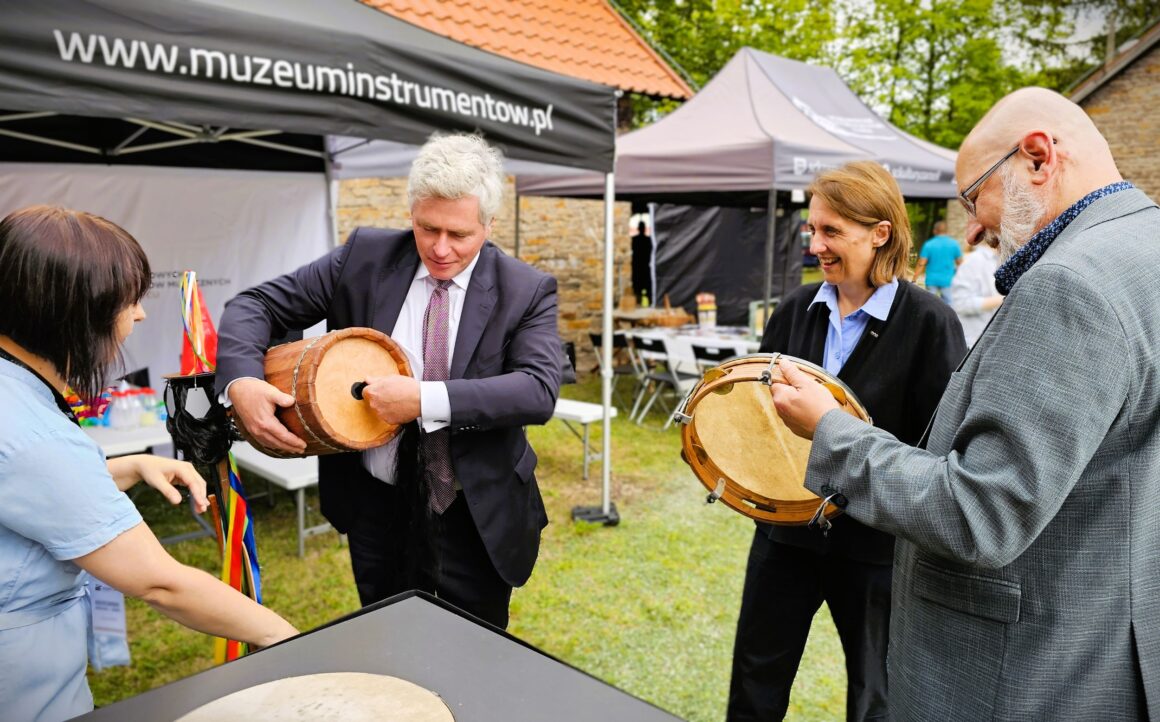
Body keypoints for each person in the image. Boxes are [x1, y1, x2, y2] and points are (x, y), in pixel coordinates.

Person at [767, 87, 1160, 720]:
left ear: (1037, 158)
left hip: (1030, 674)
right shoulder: (1146, 247)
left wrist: (831, 430)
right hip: (1105, 642)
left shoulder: (1068, 284)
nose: (972, 229)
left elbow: (983, 512)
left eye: (974, 197)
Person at [217, 133, 561, 630]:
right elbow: (256, 305)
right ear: (411, 212)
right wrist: (241, 382)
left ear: (489, 223)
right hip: (376, 507)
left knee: (475, 651)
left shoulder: (525, 290)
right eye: (427, 228)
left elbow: (537, 390)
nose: (440, 248)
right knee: (385, 641)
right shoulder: (364, 257)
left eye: (459, 234)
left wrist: (422, 399)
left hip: (475, 514)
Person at [0, 206, 298, 722]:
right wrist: (285, 636)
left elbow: (24, 487)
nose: (138, 315)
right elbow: (160, 582)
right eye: (128, 301)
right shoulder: (34, 435)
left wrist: (129, 465)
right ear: (76, 311)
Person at [727, 162, 965, 721]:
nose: (816, 247)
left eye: (831, 231)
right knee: (754, 682)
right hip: (785, 535)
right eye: (813, 230)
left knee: (875, 696)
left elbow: (938, 451)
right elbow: (760, 419)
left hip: (875, 548)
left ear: (880, 232)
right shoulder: (793, 311)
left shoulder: (931, 322)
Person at [950, 243, 1002, 346]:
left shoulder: (1003, 259)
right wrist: (1003, 299)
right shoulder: (975, 260)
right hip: (974, 342)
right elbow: (961, 304)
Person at [914, 220, 962, 301]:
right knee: (949, 306)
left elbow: (921, 263)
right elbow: (960, 264)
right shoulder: (954, 244)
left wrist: (914, 279)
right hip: (948, 280)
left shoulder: (929, 244)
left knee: (930, 303)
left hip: (931, 280)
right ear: (947, 231)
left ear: (934, 231)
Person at [631, 220, 653, 305]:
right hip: (641, 266)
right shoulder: (646, 240)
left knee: (641, 287)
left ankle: (645, 303)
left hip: (641, 266)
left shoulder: (636, 239)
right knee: (640, 287)